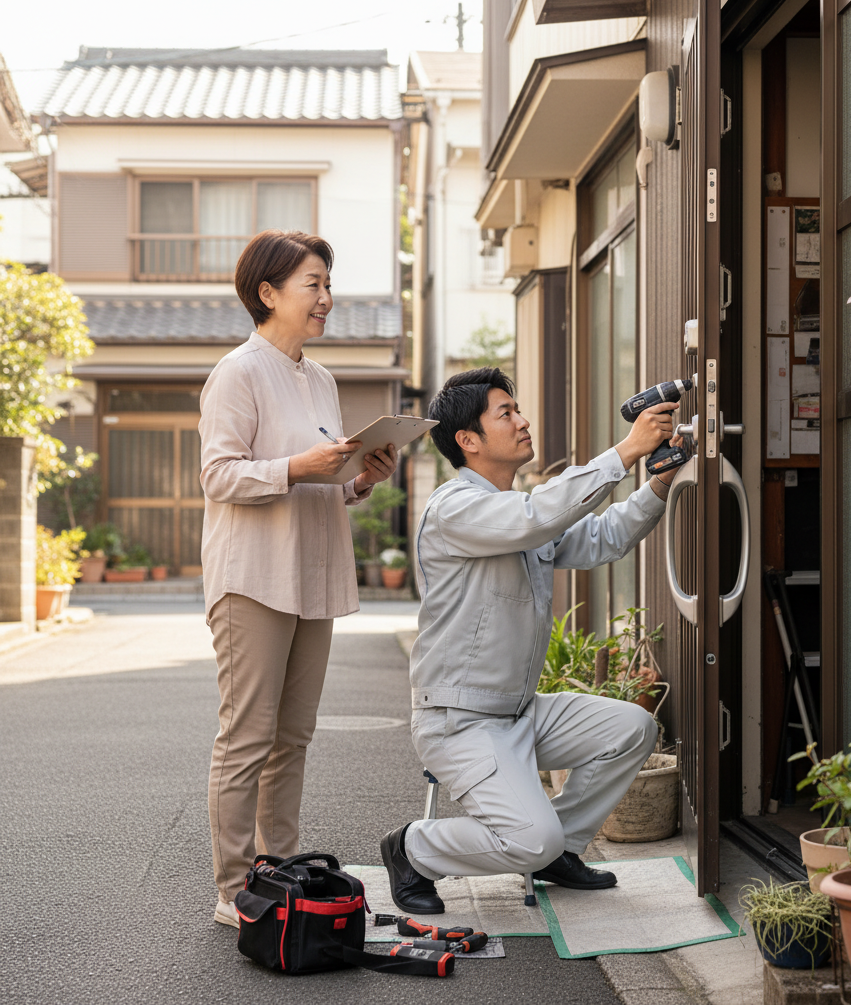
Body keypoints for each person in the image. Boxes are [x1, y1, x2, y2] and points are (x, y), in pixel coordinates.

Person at [380, 367, 687, 914]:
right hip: (461, 721)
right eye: (506, 413)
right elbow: (535, 516)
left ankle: (556, 848)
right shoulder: (456, 508)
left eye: (517, 409)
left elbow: (601, 538)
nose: (522, 421)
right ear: (468, 441)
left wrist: (659, 482)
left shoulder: (516, 513)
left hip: (520, 713)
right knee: (528, 836)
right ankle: (413, 848)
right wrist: (627, 449)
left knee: (632, 728)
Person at [200, 229, 398, 927]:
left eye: (326, 284)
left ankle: (274, 870)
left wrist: (358, 478)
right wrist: (298, 468)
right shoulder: (238, 372)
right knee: (247, 736)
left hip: (308, 575)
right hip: (251, 579)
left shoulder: (319, 378)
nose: (326, 298)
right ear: (268, 293)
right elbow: (219, 474)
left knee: (293, 737)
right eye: (312, 284)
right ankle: (232, 891)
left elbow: (325, 477)